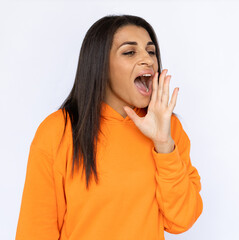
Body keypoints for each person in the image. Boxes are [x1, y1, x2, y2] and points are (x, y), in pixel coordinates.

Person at [16, 14, 203, 240]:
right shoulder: (58, 131)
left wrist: (163, 144)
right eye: (130, 52)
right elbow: (35, 231)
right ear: (101, 65)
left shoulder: (168, 128)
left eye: (151, 51)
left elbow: (182, 220)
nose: (148, 60)